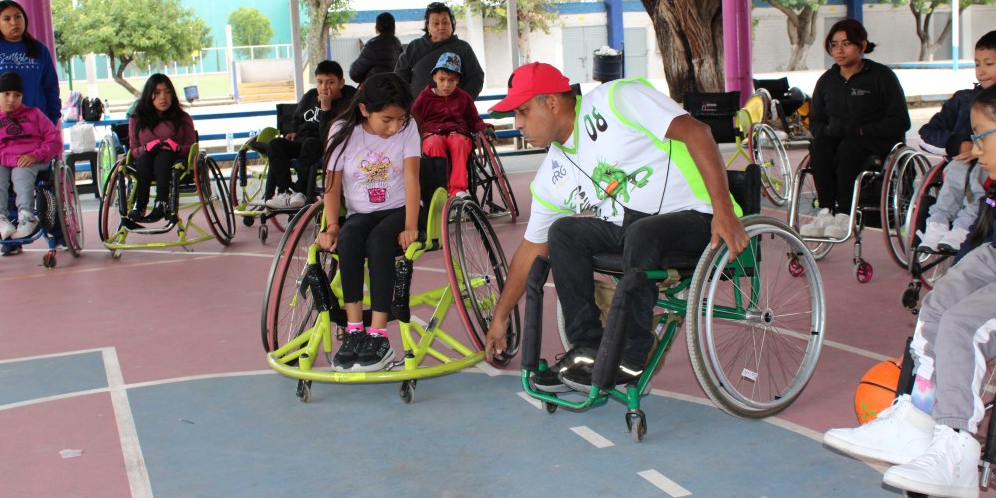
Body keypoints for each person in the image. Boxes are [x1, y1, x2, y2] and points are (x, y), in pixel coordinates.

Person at [482, 62, 749, 391]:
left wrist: (724, 210)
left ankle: (633, 355)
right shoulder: (553, 172)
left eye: (522, 112)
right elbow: (530, 250)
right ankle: (588, 348)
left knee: (642, 230)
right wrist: (501, 316)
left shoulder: (617, 99)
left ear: (551, 102)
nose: (518, 124)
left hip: (698, 216)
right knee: (563, 232)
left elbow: (698, 132)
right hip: (635, 234)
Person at [823, 78, 996, 498]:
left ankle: (956, 443)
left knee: (963, 325)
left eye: (983, 137)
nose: (977, 149)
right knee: (937, 306)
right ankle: (916, 420)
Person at [318, 73, 420, 372]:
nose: (395, 127)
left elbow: (411, 177)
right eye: (387, 119)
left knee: (378, 242)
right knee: (348, 239)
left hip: (398, 209)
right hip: (360, 213)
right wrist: (331, 226)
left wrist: (411, 225)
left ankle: (378, 334)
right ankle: (354, 330)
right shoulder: (342, 130)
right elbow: (332, 185)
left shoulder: (409, 127)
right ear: (364, 109)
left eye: (400, 118)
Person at [800, 19, 910, 239]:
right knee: (819, 146)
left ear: (862, 45)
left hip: (874, 141)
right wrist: (828, 131)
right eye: (834, 45)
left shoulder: (881, 76)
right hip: (838, 138)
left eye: (846, 43)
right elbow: (816, 122)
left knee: (850, 147)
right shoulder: (827, 81)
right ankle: (826, 211)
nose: (839, 50)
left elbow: (901, 121)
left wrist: (862, 130)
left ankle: (844, 214)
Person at [916, 30, 996, 253]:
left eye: (989, 64)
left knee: (980, 177)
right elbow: (926, 134)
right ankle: (937, 224)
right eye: (977, 64)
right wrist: (960, 145)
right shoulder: (963, 100)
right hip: (962, 162)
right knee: (957, 169)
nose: (981, 71)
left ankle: (964, 227)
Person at [264, 60, 356, 209]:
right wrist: (294, 131)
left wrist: (326, 110)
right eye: (320, 82)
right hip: (302, 141)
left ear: (341, 83)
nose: (324, 87)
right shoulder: (311, 95)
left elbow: (329, 135)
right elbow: (297, 116)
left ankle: (300, 191)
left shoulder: (348, 100)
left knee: (310, 143)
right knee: (275, 144)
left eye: (330, 82)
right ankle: (286, 191)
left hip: (326, 144)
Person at [0, 72, 62, 240]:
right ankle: (0, 218)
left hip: (32, 158)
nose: (11, 99)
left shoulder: (35, 115)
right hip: (1, 160)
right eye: (6, 94)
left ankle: (27, 216)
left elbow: (54, 139)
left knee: (21, 173)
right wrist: (10, 159)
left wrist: (36, 155)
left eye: (17, 95)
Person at [410, 52, 487, 197]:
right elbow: (414, 119)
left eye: (451, 80)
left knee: (459, 142)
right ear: (434, 77)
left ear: (457, 80)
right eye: (442, 79)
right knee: (433, 143)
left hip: (458, 132)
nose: (446, 85)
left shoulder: (463, 97)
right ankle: (441, 188)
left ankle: (457, 189)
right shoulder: (425, 97)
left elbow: (474, 119)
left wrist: (484, 128)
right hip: (432, 133)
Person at [127, 74, 196, 224]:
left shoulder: (183, 118)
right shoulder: (136, 119)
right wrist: (147, 147)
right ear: (149, 95)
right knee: (144, 157)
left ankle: (162, 203)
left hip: (174, 160)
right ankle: (140, 204)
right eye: (157, 93)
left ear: (172, 94)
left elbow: (192, 148)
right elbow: (133, 151)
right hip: (145, 162)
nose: (163, 97)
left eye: (167, 92)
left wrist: (176, 147)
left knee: (163, 156)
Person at [395, 2, 484, 101]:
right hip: (419, 108)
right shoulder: (415, 47)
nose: (441, 27)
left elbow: (476, 77)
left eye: (445, 22)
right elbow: (399, 76)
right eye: (436, 23)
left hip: (454, 108)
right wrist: (408, 102)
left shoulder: (463, 48)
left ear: (452, 24)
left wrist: (463, 102)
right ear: (428, 26)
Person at [0, 0, 61, 126]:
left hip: (37, 125)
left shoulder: (40, 50)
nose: (14, 22)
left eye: (18, 16)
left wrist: (51, 119)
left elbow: (51, 88)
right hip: (0, 127)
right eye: (7, 19)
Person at [349, 12, 403, 86]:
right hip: (395, 89)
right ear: (394, 28)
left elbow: (355, 74)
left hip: (374, 90)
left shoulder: (372, 45)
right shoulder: (398, 44)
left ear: (376, 28)